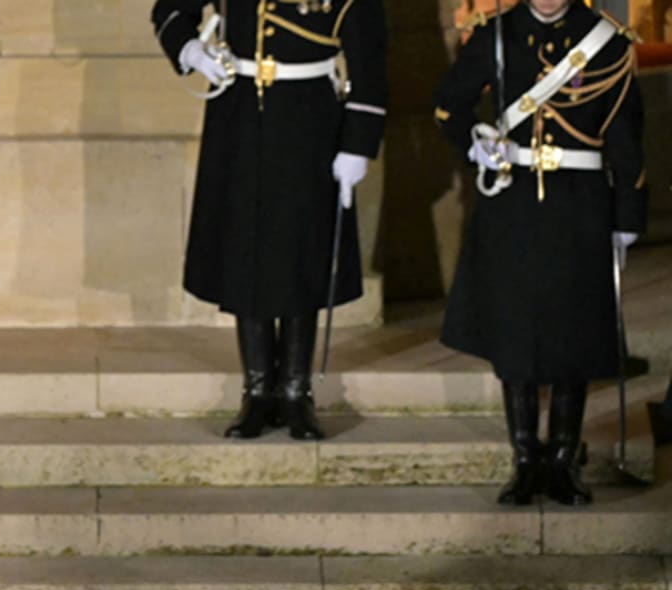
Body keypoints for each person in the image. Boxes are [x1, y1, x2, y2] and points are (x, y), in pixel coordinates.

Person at [436, 0, 643, 507]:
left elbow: (626, 137)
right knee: (516, 332)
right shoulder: (495, 34)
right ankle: (526, 459)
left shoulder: (607, 42)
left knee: (574, 333)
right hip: (513, 203)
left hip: (580, 206)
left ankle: (564, 458)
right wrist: (475, 144)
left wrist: (627, 216)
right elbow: (449, 104)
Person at [152, 0, 388, 440]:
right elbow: (171, 9)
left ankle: (296, 392)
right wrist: (191, 50)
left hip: (309, 118)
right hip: (239, 114)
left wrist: (358, 144)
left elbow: (370, 56)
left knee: (302, 251)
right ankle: (258, 391)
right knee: (245, 245)